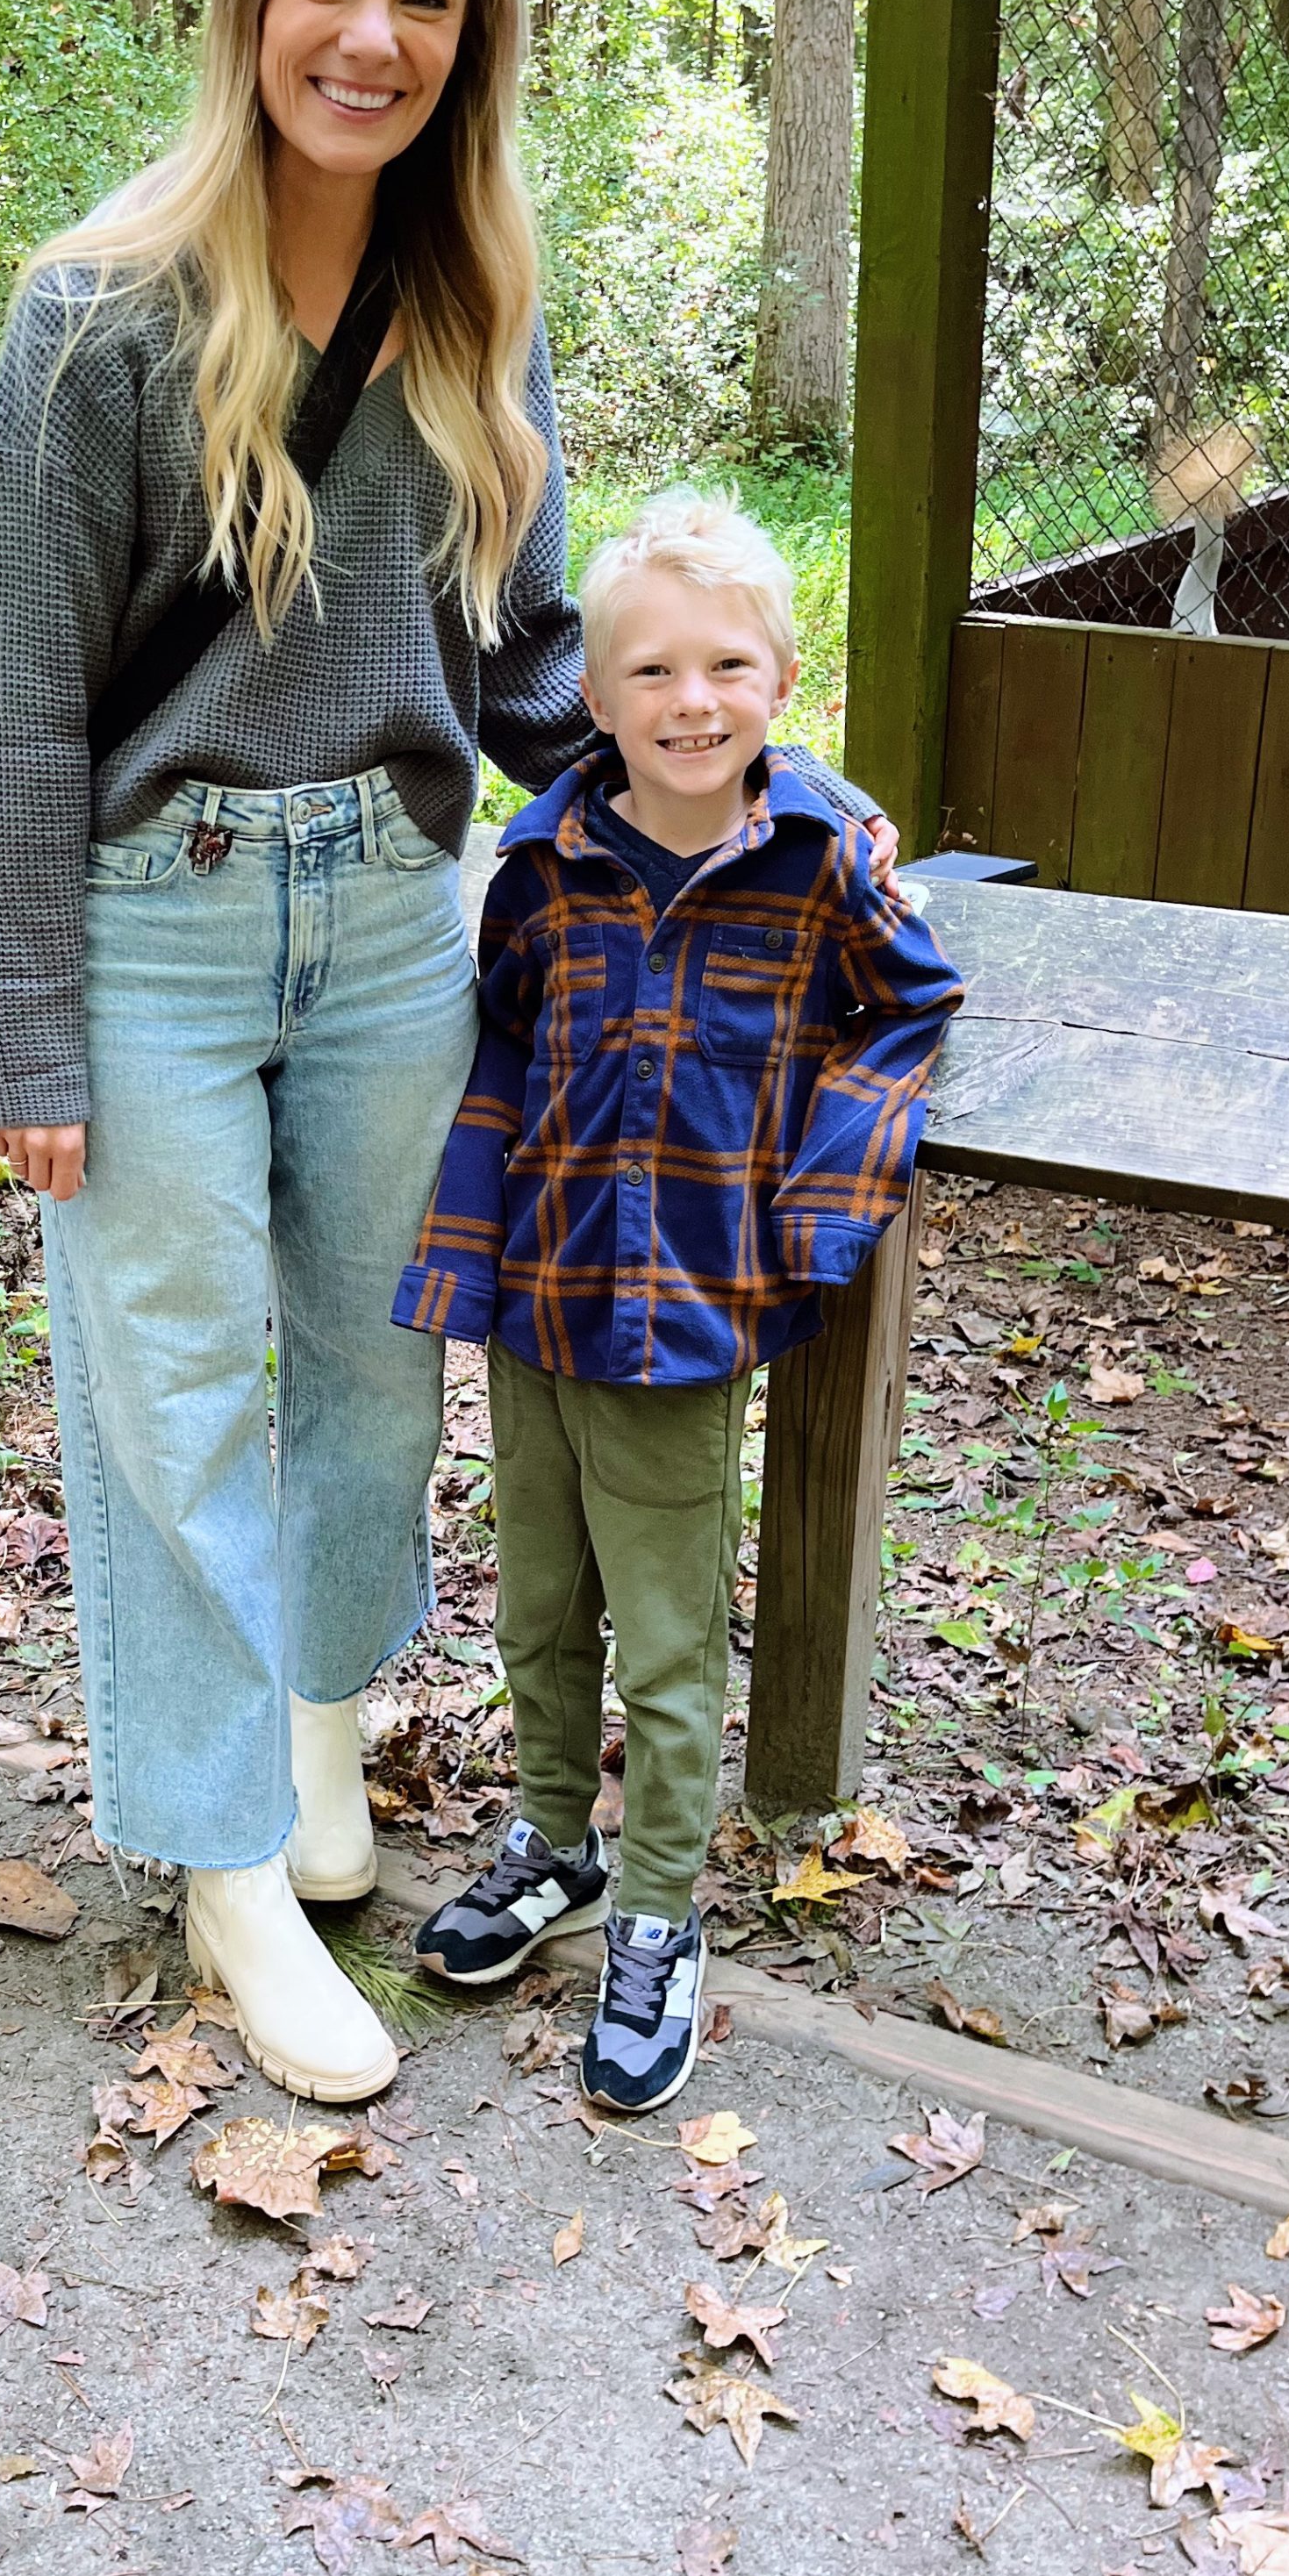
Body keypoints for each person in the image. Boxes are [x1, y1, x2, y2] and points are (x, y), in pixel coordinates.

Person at [0, 0, 894, 2107]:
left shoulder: (483, 292)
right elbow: (20, 698)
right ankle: (223, 1868)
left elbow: (531, 657)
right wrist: (38, 1038)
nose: (368, 36)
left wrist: (761, 792)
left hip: (394, 912)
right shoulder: (96, 311)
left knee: (381, 1365)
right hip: (157, 925)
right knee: (170, 1405)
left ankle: (317, 1722)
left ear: (473, 39)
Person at [393, 491, 964, 2114]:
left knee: (662, 1639)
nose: (689, 703)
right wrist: (469, 1251)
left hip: (684, 1317)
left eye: (725, 666)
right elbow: (505, 1038)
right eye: (649, 672)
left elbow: (908, 1015)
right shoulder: (545, 862)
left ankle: (657, 1908)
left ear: (780, 680)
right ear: (599, 694)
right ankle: (554, 1842)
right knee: (536, 1607)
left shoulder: (817, 863)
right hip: (539, 1296)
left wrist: (821, 1203)